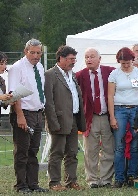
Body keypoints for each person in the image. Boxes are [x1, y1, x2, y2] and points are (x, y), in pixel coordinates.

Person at [7, 39, 48, 193]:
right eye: (32, 52)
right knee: (22, 151)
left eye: (38, 53)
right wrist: (20, 116)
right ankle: (21, 185)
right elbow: (14, 94)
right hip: (24, 113)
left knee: (33, 150)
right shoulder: (17, 68)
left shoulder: (40, 67)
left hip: (38, 113)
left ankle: (33, 184)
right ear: (26, 52)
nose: (36, 56)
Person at [108, 47, 138, 188]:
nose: (126, 66)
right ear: (119, 62)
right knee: (119, 146)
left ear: (132, 60)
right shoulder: (114, 74)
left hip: (136, 110)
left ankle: (132, 175)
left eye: (128, 63)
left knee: (134, 144)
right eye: (122, 63)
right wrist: (112, 117)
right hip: (119, 109)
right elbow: (110, 96)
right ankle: (119, 177)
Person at [44, 45, 86, 191]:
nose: (73, 62)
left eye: (74, 59)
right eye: (70, 59)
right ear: (61, 58)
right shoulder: (50, 74)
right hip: (59, 120)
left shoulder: (72, 75)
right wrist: (53, 122)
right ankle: (54, 182)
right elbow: (48, 102)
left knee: (72, 153)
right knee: (57, 153)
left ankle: (71, 181)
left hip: (74, 119)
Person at [76, 48, 115, 188]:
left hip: (106, 116)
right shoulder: (80, 75)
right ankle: (92, 179)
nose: (89, 59)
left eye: (92, 57)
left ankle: (106, 179)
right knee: (90, 150)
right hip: (89, 117)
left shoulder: (110, 72)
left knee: (108, 149)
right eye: (86, 57)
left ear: (100, 58)